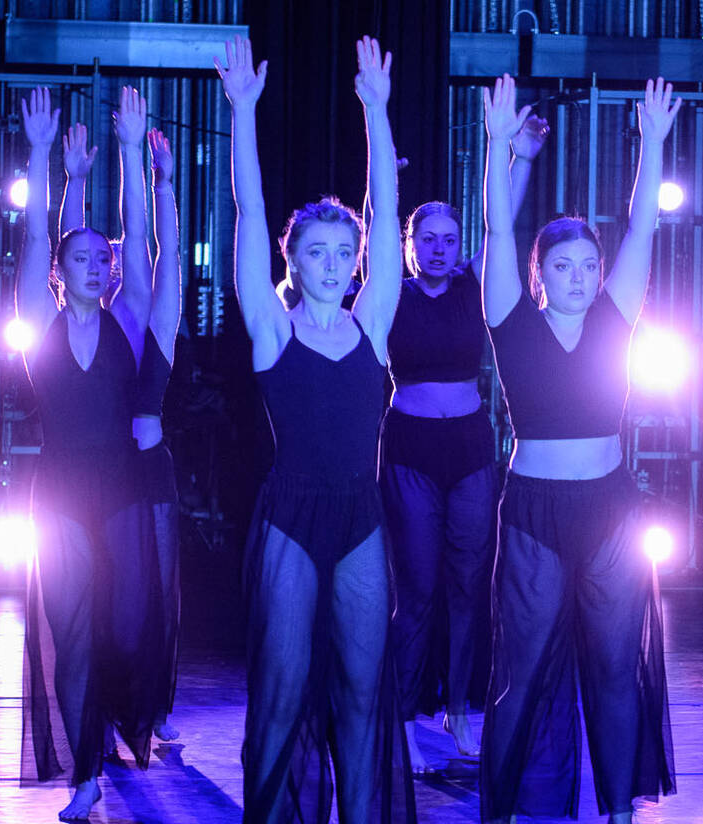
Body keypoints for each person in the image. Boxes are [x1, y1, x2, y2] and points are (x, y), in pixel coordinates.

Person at [218, 35, 415, 823]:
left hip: (361, 516)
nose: (332, 263)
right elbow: (249, 207)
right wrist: (241, 115)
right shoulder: (273, 327)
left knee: (364, 694)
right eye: (316, 252)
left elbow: (389, 210)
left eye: (345, 251)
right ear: (291, 260)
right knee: (282, 692)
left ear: (359, 259)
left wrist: (377, 110)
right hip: (290, 519)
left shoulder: (373, 323)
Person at [475, 74, 680, 824]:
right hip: (532, 509)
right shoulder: (510, 317)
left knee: (613, 665)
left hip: (610, 506)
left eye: (587, 267)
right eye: (562, 266)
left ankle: (620, 809)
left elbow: (642, 231)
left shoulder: (614, 316)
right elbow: (497, 231)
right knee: (522, 669)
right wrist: (497, 146)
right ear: (539, 274)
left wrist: (652, 145)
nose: (578, 276)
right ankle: (499, 809)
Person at [381, 115, 548, 773]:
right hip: (410, 448)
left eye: (451, 238)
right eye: (430, 238)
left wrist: (521, 157)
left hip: (473, 448)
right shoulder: (388, 292)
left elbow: (500, 224)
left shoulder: (477, 286)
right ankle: (402, 718)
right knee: (417, 588)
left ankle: (458, 710)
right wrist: (384, 180)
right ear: (410, 244)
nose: (443, 248)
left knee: (469, 584)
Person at [15, 85, 162, 822]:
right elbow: (39, 237)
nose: (96, 263)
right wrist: (45, 158)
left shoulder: (125, 321)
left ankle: (123, 721)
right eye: (82, 255)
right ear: (58, 272)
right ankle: (84, 773)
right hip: (62, 486)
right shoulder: (38, 317)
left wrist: (134, 157)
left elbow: (138, 241)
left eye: (100, 257)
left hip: (123, 485)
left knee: (128, 627)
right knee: (71, 627)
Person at [137, 125, 185, 743]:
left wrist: (164, 184)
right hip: (101, 468)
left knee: (159, 594)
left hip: (150, 469)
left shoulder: (157, 328)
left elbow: (167, 253)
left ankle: (156, 708)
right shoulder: (89, 332)